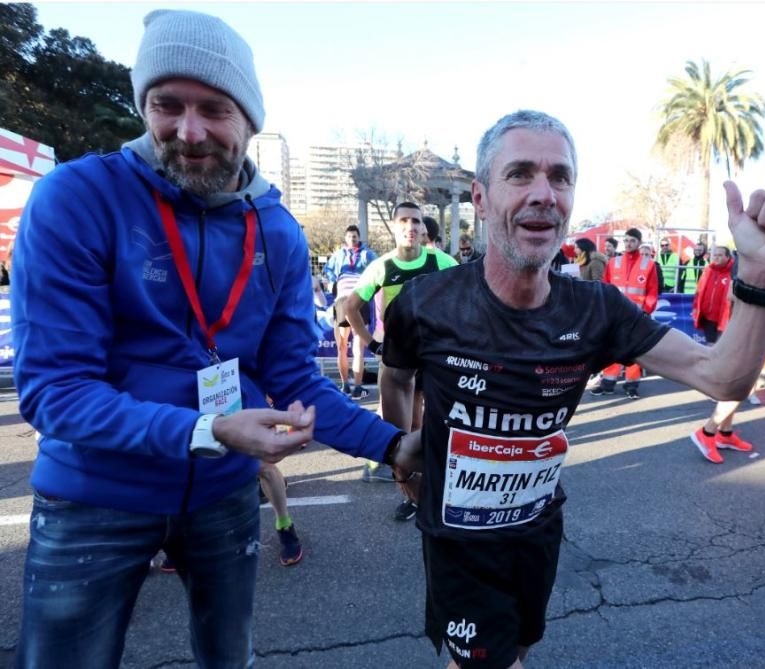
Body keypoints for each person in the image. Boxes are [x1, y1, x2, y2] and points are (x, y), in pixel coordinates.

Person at [9, 11, 416, 668]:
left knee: (230, 658)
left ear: (251, 120)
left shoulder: (277, 230)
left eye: (214, 108)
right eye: (166, 104)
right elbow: (56, 392)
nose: (188, 131)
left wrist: (398, 445)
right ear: (143, 105)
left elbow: (294, 377)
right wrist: (206, 432)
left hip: (221, 490)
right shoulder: (77, 198)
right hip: (95, 490)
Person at [379, 109, 765, 669]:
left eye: (560, 177)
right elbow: (395, 376)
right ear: (480, 199)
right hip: (459, 539)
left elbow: (723, 376)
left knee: (520, 646)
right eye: (520, 174)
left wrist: (760, 277)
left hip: (537, 530)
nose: (544, 194)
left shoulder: (596, 308)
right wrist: (401, 452)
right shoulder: (426, 302)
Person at [345, 202, 457, 518]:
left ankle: (428, 496)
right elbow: (351, 308)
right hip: (397, 364)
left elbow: (470, 296)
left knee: (429, 429)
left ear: (424, 229)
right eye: (404, 221)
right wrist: (373, 345)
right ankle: (410, 490)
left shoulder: (442, 261)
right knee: (401, 438)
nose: (410, 226)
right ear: (395, 228)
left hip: (435, 361)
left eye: (416, 221)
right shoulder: (381, 266)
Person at [688, 245, 755, 462]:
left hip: (757, 328)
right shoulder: (749, 267)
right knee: (745, 381)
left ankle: (723, 433)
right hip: (751, 330)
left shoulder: (747, 266)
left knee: (746, 381)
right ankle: (709, 432)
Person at [590, 227, 660, 399]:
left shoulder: (649, 265)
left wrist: (646, 311)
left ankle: (632, 385)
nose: (628, 244)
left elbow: (652, 291)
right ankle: (607, 383)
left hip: (637, 315)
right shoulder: (613, 263)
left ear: (639, 243)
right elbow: (606, 286)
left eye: (632, 241)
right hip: (615, 314)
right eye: (626, 240)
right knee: (612, 348)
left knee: (634, 350)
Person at [328, 224, 378, 398]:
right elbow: (328, 270)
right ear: (345, 238)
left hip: (359, 298)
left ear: (359, 238)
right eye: (349, 236)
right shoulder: (338, 255)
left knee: (358, 344)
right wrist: (332, 280)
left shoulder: (368, 254)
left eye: (355, 236)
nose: (352, 239)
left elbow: (377, 269)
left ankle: (357, 385)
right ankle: (345, 385)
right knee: (342, 345)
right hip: (341, 299)